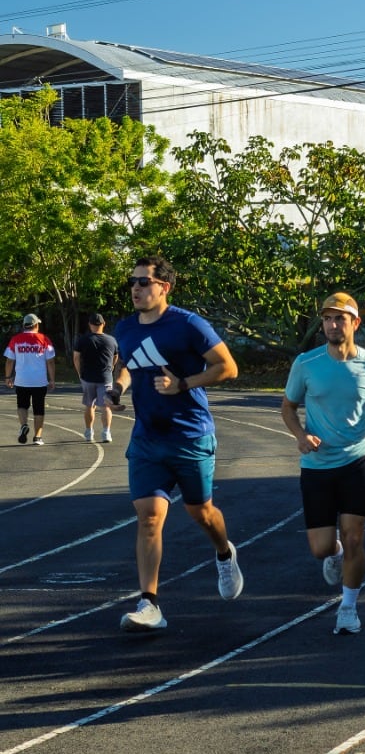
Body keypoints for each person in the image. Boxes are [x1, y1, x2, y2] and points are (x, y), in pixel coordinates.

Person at [111, 256, 244, 634]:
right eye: (132, 283)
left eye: (143, 282)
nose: (135, 289)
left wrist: (183, 384)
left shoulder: (188, 324)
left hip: (190, 435)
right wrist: (116, 387)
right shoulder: (126, 327)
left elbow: (228, 367)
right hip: (148, 439)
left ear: (163, 287)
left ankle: (224, 552)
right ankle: (149, 604)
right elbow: (127, 363)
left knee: (201, 512)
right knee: (149, 516)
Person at [281, 293, 365, 636]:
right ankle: (334, 553)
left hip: (357, 459)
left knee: (355, 536)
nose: (333, 325)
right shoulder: (306, 363)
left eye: (340, 319)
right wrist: (300, 435)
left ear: (355, 324)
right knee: (321, 548)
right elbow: (287, 407)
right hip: (317, 465)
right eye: (328, 319)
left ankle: (348, 607)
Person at [5, 312, 55, 446]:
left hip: (21, 380)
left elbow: (10, 361)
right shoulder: (44, 339)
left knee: (22, 405)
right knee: (39, 408)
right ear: (36, 325)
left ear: (24, 325)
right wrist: (52, 379)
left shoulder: (15, 340)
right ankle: (37, 437)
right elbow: (50, 362)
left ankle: (23, 425)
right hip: (39, 380)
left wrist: (8, 377)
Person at [73, 311, 121, 443]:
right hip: (105, 377)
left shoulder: (83, 340)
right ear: (103, 324)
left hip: (88, 377)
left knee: (89, 405)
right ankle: (106, 432)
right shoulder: (111, 340)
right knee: (106, 406)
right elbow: (116, 356)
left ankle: (89, 431)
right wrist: (111, 367)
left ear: (90, 325)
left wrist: (79, 372)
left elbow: (76, 358)